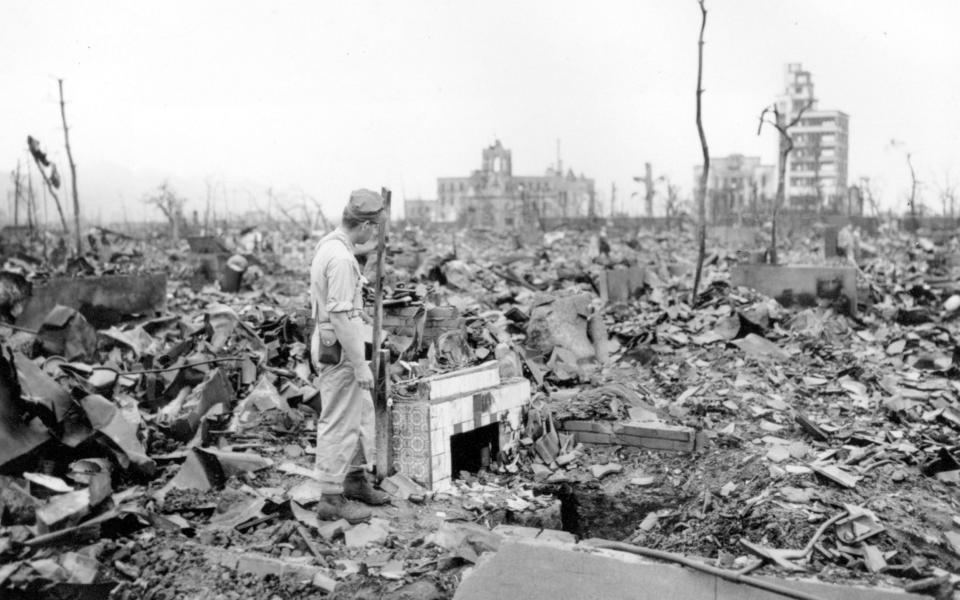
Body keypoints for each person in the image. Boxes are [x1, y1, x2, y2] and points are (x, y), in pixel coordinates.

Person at [310, 189, 391, 523]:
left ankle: (355, 479)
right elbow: (342, 317)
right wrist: (360, 365)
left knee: (360, 415)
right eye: (375, 228)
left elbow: (353, 250)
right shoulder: (342, 260)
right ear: (368, 225)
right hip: (341, 348)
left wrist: (373, 250)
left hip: (340, 343)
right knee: (340, 420)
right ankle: (330, 498)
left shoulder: (332, 243)